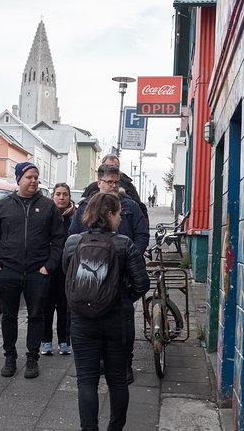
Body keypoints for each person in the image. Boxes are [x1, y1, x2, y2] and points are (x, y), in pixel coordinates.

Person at [63, 192, 150, 431]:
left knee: (86, 381)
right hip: (117, 321)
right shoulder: (124, 243)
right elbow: (142, 283)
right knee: (117, 380)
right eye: (119, 214)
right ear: (109, 214)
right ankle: (115, 428)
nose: (121, 219)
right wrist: (120, 298)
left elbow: (67, 276)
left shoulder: (73, 242)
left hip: (82, 321)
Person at [70, 164, 149, 384]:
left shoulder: (130, 206)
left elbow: (142, 235)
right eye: (109, 182)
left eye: (116, 182)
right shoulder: (86, 206)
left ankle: (125, 364)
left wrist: (131, 258)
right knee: (95, 318)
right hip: (93, 274)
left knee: (124, 324)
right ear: (99, 183)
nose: (114, 186)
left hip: (124, 272)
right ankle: (101, 361)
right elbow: (73, 239)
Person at [0, 162, 65, 379]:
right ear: (19, 179)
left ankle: (32, 358)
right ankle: (9, 357)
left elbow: (59, 239)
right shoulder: (3, 206)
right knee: (9, 316)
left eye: (36, 177)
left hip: (37, 272)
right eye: (29, 176)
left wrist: (49, 266)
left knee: (36, 315)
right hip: (8, 271)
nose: (33, 181)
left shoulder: (48, 207)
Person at [41, 183, 76, 357]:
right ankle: (46, 341)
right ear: (53, 196)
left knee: (65, 308)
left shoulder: (75, 218)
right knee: (46, 307)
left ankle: (64, 341)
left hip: (67, 270)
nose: (61, 198)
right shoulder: (46, 215)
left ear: (69, 197)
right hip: (49, 267)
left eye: (65, 194)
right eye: (58, 194)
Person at [82, 153, 148, 220]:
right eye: (110, 166)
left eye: (116, 167)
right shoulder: (92, 188)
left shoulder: (129, 187)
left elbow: (139, 210)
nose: (114, 186)